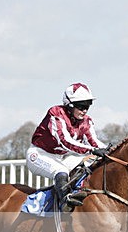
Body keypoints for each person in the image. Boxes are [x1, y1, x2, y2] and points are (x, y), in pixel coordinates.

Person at [26, 82, 110, 211]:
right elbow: (65, 141)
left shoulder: (86, 121)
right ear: (69, 105)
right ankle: (65, 202)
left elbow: (94, 142)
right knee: (61, 171)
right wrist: (92, 150)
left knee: (89, 166)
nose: (85, 110)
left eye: (88, 105)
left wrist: (112, 151)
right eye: (81, 106)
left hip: (63, 156)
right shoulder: (56, 113)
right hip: (39, 154)